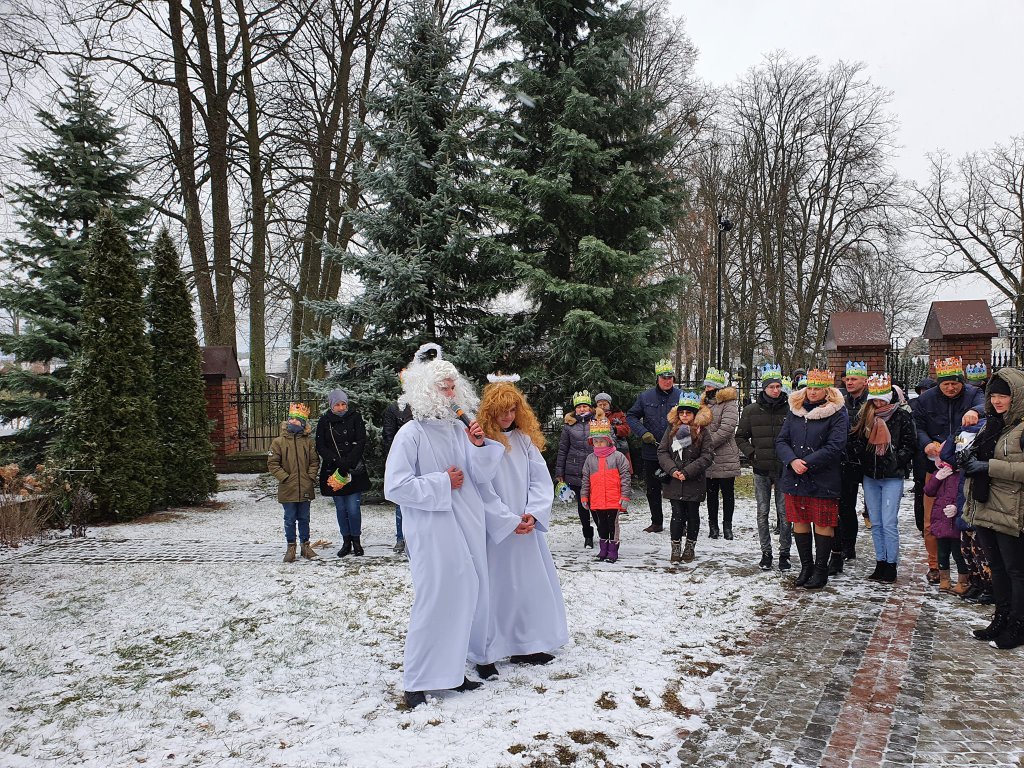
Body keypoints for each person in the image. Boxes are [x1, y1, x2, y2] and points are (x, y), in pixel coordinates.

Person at [383, 344, 506, 707]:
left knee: (467, 590)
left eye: (453, 387)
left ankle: (451, 671)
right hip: (432, 528)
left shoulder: (458, 430)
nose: (451, 394)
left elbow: (480, 477)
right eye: (443, 387)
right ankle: (417, 680)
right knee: (437, 596)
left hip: (465, 522)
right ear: (425, 390)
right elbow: (395, 486)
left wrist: (480, 446)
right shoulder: (411, 434)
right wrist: (439, 482)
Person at [473, 376, 568, 679]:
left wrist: (532, 514)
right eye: (502, 411)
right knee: (494, 589)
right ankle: (486, 652)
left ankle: (527, 644)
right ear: (490, 411)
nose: (508, 416)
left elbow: (540, 481)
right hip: (495, 533)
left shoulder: (524, 441)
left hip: (525, 529)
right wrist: (505, 520)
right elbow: (481, 487)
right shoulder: (481, 444)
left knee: (526, 587)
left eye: (513, 410)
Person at [962, 367, 1024, 650]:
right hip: (985, 504)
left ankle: (1018, 625)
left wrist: (989, 466)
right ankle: (1001, 617)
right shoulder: (993, 424)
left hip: (1012, 509)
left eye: (1004, 396)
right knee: (996, 568)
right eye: (994, 395)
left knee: (1015, 570)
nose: (998, 401)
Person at [775, 368, 850, 590]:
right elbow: (782, 441)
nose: (813, 393)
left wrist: (807, 462)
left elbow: (835, 445)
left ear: (827, 391)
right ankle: (806, 566)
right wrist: (792, 460)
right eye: (810, 388)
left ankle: (820, 569)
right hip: (795, 475)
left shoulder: (837, 413)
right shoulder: (795, 410)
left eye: (818, 389)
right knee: (799, 520)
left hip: (823, 476)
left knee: (822, 522)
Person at [913, 356, 986, 584]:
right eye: (946, 384)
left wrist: (975, 411)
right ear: (939, 383)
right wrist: (926, 444)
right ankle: (935, 565)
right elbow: (917, 425)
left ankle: (969, 569)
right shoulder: (925, 399)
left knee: (965, 518)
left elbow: (987, 405)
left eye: (955, 383)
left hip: (965, 468)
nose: (951, 388)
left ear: (961, 382)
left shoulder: (973, 394)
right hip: (935, 465)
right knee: (931, 518)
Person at [847, 374, 915, 583]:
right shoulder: (865, 415)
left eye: (881, 399)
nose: (878, 403)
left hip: (892, 476)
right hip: (871, 475)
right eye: (874, 400)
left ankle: (891, 564)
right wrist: (863, 456)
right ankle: (880, 562)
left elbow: (909, 443)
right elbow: (855, 440)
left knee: (889, 522)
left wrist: (896, 460)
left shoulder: (901, 416)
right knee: (875, 522)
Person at [736, 364, 792, 571]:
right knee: (763, 512)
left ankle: (784, 553)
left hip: (784, 469)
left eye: (778, 386)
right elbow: (740, 436)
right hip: (761, 469)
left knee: (785, 514)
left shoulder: (790, 409)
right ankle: (766, 552)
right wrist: (752, 453)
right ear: (764, 388)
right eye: (771, 387)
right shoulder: (752, 411)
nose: (776, 390)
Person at [658, 391, 715, 563]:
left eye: (688, 413)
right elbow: (662, 452)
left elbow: (707, 456)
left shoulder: (702, 432)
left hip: (693, 482)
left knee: (692, 515)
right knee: (676, 514)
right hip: (674, 481)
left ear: (694, 414)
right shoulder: (671, 430)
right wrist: (672, 469)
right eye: (681, 412)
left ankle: (690, 546)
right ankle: (675, 547)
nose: (684, 416)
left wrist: (688, 471)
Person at [626, 359, 681, 533]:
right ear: (657, 378)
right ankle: (657, 522)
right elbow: (631, 416)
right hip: (652, 451)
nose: (667, 381)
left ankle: (679, 521)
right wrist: (643, 433)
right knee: (652, 488)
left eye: (670, 377)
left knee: (676, 487)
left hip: (675, 451)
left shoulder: (681, 396)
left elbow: (692, 419)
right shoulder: (645, 397)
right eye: (664, 378)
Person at [316, 389, 370, 557]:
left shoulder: (355, 417)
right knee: (341, 508)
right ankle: (346, 541)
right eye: (337, 405)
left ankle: (356, 541)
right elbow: (320, 445)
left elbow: (361, 441)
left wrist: (349, 461)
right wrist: (337, 461)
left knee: (353, 508)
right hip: (334, 471)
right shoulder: (325, 421)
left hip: (353, 469)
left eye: (343, 404)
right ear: (331, 406)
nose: (341, 408)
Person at [267, 403, 320, 563]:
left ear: (303, 423)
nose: (294, 422)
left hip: (305, 486)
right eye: (292, 419)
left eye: (298, 420)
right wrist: (285, 477)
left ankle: (305, 546)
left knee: (304, 518)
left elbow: (314, 461)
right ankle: (291, 546)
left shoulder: (308, 442)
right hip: (287, 488)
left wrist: (310, 477)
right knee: (289, 519)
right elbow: (272, 463)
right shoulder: (278, 442)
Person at [831, 361, 869, 575]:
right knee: (845, 505)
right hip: (845, 459)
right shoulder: (841, 400)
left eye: (855, 379)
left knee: (865, 507)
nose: (850, 382)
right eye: (848, 379)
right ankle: (847, 546)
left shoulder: (870, 401)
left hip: (865, 457)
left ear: (864, 381)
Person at [581, 411, 632, 562]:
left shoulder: (618, 457)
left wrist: (625, 496)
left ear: (609, 441)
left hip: (613, 499)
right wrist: (584, 496)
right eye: (595, 442)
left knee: (612, 525)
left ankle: (613, 550)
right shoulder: (590, 459)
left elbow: (625, 477)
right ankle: (603, 550)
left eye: (602, 441)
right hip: (597, 499)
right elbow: (585, 479)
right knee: (601, 525)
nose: (598, 444)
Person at [701, 367, 741, 540]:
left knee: (727, 493)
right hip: (708, 457)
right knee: (711, 494)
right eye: (706, 386)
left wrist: (708, 444)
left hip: (725, 455)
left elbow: (727, 428)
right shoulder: (703, 404)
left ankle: (727, 526)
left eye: (710, 386)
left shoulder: (729, 403)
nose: (707, 389)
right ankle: (713, 527)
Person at [555, 390, 598, 548]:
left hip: (596, 469)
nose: (582, 409)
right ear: (575, 409)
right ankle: (587, 535)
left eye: (585, 406)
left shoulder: (598, 421)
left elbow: (609, 442)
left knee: (596, 504)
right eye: (579, 406)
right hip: (575, 470)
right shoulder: (569, 426)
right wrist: (559, 473)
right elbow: (563, 449)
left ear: (590, 407)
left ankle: (603, 531)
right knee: (583, 506)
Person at [924, 451, 969, 595]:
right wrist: (937, 478)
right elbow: (929, 491)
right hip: (940, 519)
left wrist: (958, 507)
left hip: (955, 522)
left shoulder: (962, 475)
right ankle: (945, 579)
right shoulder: (941, 472)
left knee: (958, 553)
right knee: (942, 553)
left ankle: (963, 581)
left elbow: (966, 495)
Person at [382, 387, 414, 554]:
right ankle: (400, 538)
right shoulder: (394, 408)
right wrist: (396, 457)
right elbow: (388, 435)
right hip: (402, 459)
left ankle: (412, 538)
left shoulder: (422, 407)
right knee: (401, 504)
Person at [911, 378, 936, 541]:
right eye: (922, 390)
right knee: (921, 492)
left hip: (937, 458)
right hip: (921, 457)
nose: (924, 393)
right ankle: (922, 525)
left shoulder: (937, 407)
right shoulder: (915, 405)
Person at [595, 392, 632, 474]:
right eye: (600, 404)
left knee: (621, 472)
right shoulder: (594, 415)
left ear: (609, 404)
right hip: (600, 448)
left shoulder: (618, 413)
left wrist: (615, 429)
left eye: (605, 404)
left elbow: (627, 429)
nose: (602, 407)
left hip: (619, 447)